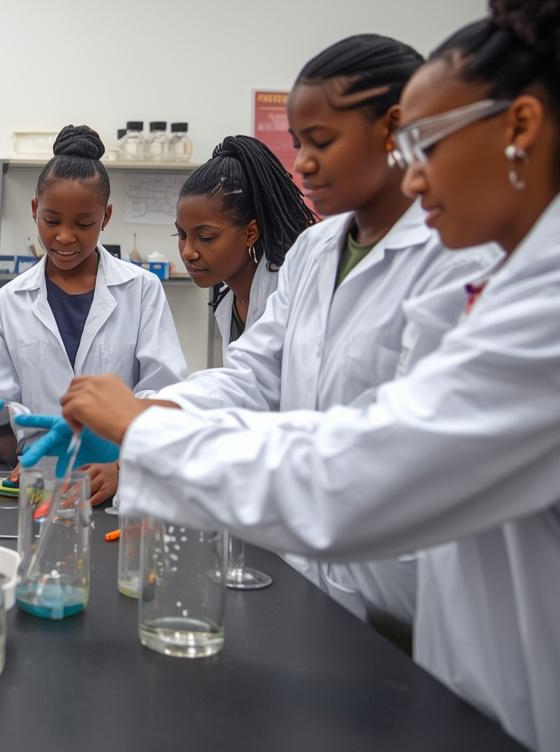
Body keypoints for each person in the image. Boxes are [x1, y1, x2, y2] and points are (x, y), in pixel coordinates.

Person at [46, 0, 560, 751]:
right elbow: (286, 396)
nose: (413, 178)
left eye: (426, 145)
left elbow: (361, 468)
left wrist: (146, 429)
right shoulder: (536, 273)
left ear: (520, 127)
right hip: (490, 679)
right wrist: (150, 413)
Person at [28, 34, 496, 634]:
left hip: (404, 582)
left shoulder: (456, 259)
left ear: (392, 128)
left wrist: (145, 430)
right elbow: (253, 375)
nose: (302, 165)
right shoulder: (316, 251)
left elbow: (387, 446)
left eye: (322, 142)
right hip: (310, 573)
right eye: (299, 145)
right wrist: (145, 413)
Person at [0, 126, 186, 505]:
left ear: (106, 216)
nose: (65, 236)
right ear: (34, 210)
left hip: (115, 482)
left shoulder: (141, 290)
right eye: (52, 220)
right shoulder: (9, 301)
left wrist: (123, 465)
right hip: (39, 479)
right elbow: (6, 403)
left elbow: (162, 393)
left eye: (83, 223)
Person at [175, 135, 317, 358]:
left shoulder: (287, 290)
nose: (188, 252)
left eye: (206, 237)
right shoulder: (229, 301)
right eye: (182, 235)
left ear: (250, 233)